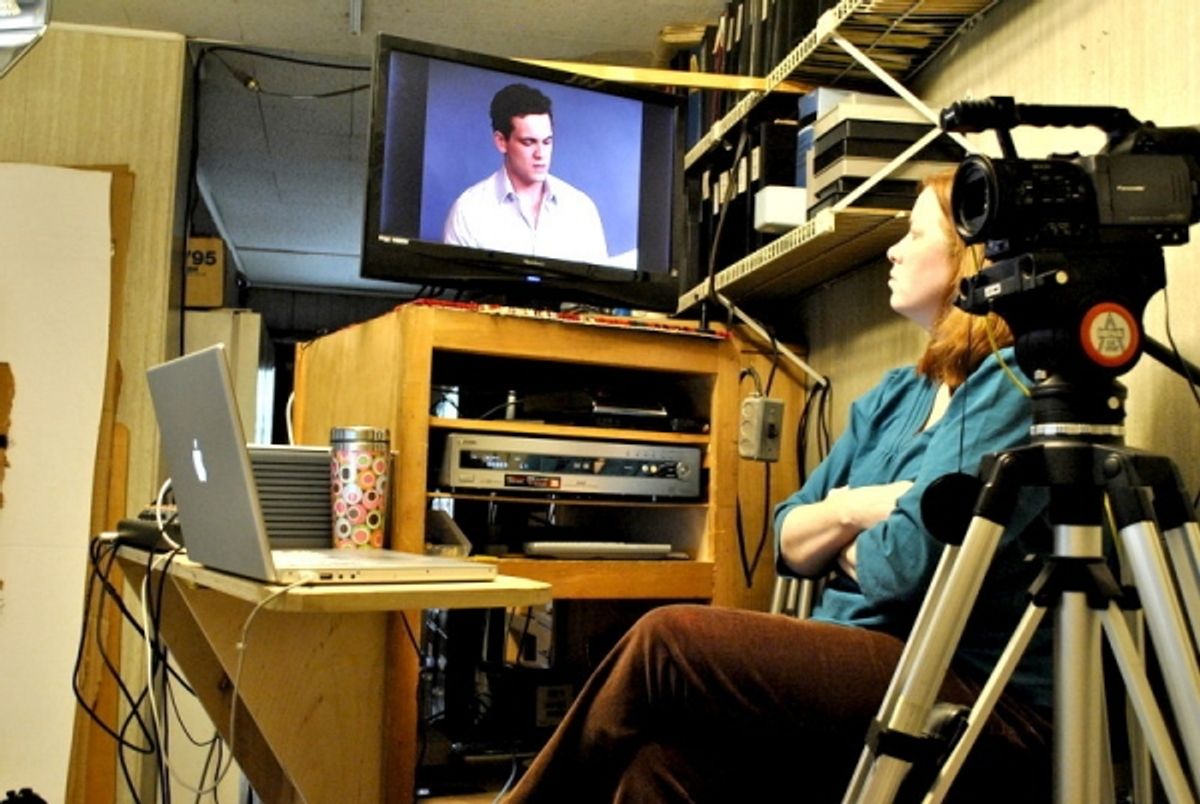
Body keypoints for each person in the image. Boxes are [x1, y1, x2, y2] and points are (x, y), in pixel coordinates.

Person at [503, 170, 1054, 803]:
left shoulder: (1012, 384)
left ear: (970, 259)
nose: (894, 249)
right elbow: (789, 534)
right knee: (658, 766)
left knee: (668, 640)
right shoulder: (897, 395)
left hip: (963, 682)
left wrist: (844, 533)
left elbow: (903, 566)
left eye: (914, 232)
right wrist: (859, 506)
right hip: (858, 658)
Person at [443, 82, 609, 264]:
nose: (540, 154)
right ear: (501, 141)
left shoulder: (581, 209)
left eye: (547, 142)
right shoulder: (468, 211)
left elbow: (599, 287)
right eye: (529, 142)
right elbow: (455, 289)